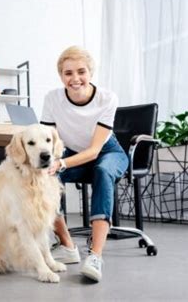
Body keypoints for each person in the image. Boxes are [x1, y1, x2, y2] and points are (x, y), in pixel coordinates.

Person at [41, 46, 129, 282]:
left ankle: (95, 256)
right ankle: (68, 246)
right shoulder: (52, 99)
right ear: (61, 76)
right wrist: (45, 165)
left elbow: (94, 151)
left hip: (109, 152)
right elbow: (49, 141)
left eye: (81, 71)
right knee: (46, 177)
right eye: (68, 73)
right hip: (74, 153)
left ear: (90, 73)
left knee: (102, 170)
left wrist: (61, 163)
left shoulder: (107, 99)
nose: (75, 78)